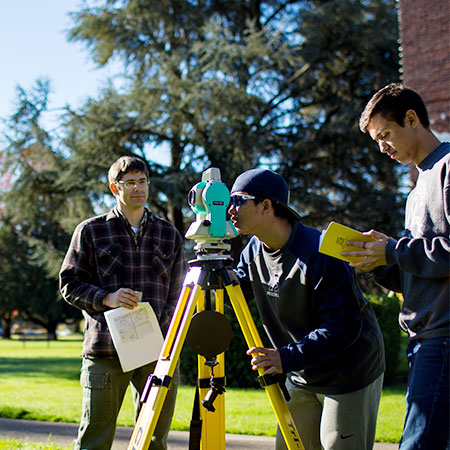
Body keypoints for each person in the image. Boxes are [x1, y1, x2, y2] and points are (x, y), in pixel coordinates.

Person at [227, 168, 385, 450]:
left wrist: (285, 358)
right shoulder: (252, 250)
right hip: (300, 371)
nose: (230, 210)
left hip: (347, 373)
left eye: (238, 200)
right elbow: (234, 294)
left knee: (337, 445)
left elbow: (344, 326)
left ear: (266, 206)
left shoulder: (321, 252)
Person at [343, 83, 450, 450]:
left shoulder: (449, 168)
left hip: (444, 337)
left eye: (385, 135)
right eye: (376, 141)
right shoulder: (416, 191)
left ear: (411, 118)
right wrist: (376, 260)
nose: (382, 148)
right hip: (423, 339)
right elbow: (416, 272)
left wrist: (395, 250)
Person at [59, 156, 186, 450]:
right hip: (105, 349)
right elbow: (69, 284)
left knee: (154, 439)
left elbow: (179, 294)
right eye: (130, 183)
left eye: (143, 182)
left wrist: (161, 331)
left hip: (157, 353)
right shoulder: (91, 230)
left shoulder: (169, 234)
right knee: (95, 438)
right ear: (115, 188)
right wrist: (106, 298)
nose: (138, 188)